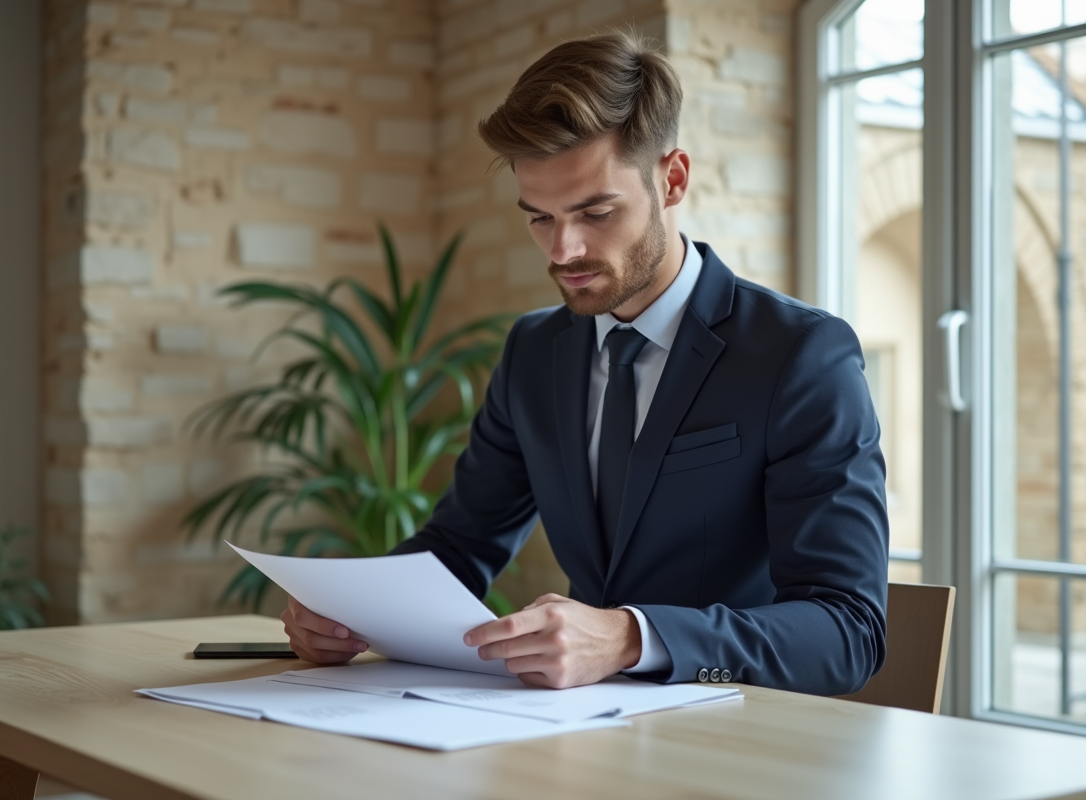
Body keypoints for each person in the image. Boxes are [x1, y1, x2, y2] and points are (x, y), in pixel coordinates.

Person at [280, 30, 889, 695]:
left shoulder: (801, 355)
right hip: (573, 738)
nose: (564, 250)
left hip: (740, 732)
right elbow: (460, 547)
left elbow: (848, 636)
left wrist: (631, 640)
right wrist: (356, 612)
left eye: (595, 212)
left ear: (673, 178)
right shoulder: (533, 353)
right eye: (539, 217)